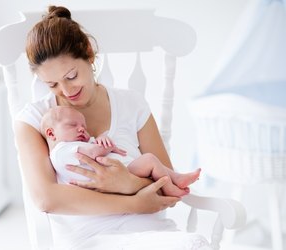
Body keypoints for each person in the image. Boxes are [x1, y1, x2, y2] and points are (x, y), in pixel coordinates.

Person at [15, 5, 210, 249]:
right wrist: (133, 202)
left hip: (150, 233)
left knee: (197, 244)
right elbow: (47, 199)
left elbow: (168, 190)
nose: (66, 91)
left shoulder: (131, 104)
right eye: (52, 84)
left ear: (88, 53)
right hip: (90, 239)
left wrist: (126, 183)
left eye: (72, 76)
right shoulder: (35, 120)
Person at [41, 106, 201, 197]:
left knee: (151, 162)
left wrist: (102, 138)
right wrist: (106, 145)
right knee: (150, 160)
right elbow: (93, 153)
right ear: (51, 133)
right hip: (119, 174)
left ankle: (176, 178)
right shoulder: (62, 150)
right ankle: (171, 186)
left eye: (84, 125)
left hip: (121, 173)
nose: (81, 128)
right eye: (72, 125)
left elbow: (94, 147)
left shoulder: (78, 143)